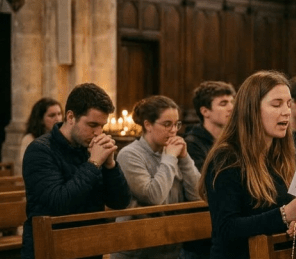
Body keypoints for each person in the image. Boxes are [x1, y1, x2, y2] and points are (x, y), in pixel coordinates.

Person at [198, 71, 296, 259]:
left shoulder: (281, 154)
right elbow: (226, 228)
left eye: (289, 104)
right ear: (251, 109)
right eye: (276, 104)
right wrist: (284, 215)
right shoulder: (226, 158)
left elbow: (288, 208)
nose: (286, 111)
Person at [22, 83, 131, 259]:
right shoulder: (40, 150)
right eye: (92, 124)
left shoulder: (88, 146)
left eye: (102, 126)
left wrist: (110, 166)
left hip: (89, 247)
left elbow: (120, 201)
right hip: (50, 248)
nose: (98, 133)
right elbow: (60, 203)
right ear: (71, 117)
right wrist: (94, 163)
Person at [111, 95, 202, 259]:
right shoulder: (130, 154)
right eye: (167, 124)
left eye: (176, 124)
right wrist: (170, 159)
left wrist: (185, 159)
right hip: (137, 250)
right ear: (148, 124)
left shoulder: (172, 152)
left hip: (171, 247)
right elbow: (153, 197)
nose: (174, 130)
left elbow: (198, 195)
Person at [185, 81, 235, 171]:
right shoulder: (192, 145)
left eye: (232, 102)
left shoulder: (234, 138)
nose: (231, 108)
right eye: (223, 104)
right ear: (205, 111)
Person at [14, 97, 62, 176]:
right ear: (41, 120)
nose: (57, 119)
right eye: (52, 115)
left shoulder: (62, 137)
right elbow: (29, 167)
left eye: (59, 114)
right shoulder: (29, 139)